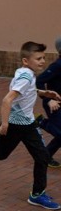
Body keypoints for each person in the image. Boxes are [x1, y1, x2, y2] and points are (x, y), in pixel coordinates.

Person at [0, 41, 61, 210]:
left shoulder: (26, 73)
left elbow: (27, 91)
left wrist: (43, 93)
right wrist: (4, 125)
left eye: (44, 58)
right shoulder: (26, 76)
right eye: (38, 58)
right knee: (17, 155)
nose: (42, 61)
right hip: (18, 124)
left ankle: (37, 194)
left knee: (37, 157)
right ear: (26, 60)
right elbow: (7, 99)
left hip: (25, 123)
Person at [36, 36, 61, 168]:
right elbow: (39, 81)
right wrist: (48, 99)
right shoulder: (57, 65)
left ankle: (46, 155)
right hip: (53, 105)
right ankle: (41, 122)